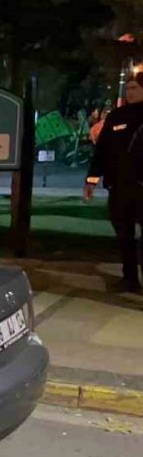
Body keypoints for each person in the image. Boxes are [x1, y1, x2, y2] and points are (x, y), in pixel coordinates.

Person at [85, 71, 143, 294]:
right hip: (119, 187)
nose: (130, 92)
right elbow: (102, 151)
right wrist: (91, 180)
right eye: (128, 88)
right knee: (124, 236)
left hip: (141, 187)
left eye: (135, 88)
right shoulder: (117, 116)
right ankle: (129, 279)